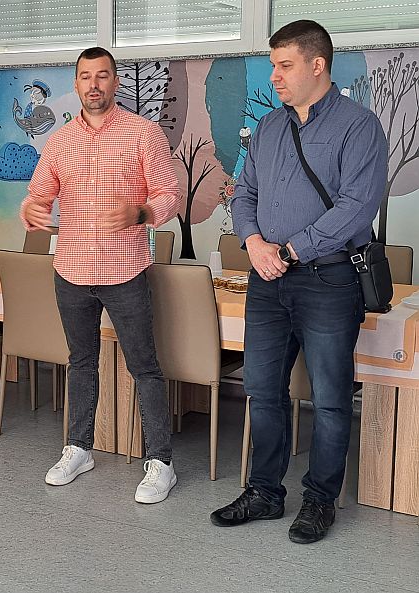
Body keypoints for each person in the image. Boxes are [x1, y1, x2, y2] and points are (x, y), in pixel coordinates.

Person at [211, 20, 388, 544]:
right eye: (274, 66)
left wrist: (290, 250)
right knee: (262, 390)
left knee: (330, 399)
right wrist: (253, 242)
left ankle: (319, 501)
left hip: (329, 280)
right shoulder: (269, 127)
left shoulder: (359, 126)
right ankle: (265, 492)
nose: (275, 76)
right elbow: (245, 192)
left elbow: (357, 207)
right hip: (268, 281)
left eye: (284, 66)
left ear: (317, 65)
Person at [21, 46, 183, 504]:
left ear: (115, 81)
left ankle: (161, 462)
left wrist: (142, 212)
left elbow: (170, 195)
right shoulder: (60, 142)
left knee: (144, 366)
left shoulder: (143, 133)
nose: (93, 84)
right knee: (81, 363)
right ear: (76, 83)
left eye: (102, 75)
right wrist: (30, 208)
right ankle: (78, 448)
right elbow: (38, 194)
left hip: (125, 270)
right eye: (85, 76)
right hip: (71, 270)